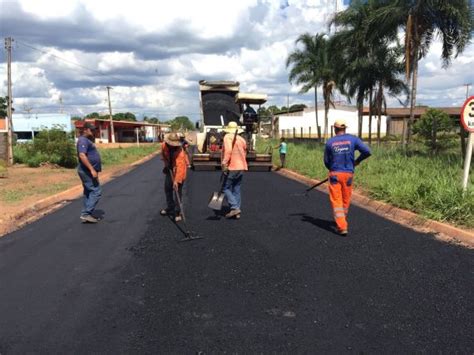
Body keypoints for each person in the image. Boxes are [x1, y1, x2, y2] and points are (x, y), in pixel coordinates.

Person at [324, 119, 371, 236]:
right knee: (346, 198)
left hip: (335, 174)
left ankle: (342, 226)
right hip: (348, 174)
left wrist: (333, 169)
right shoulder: (353, 139)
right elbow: (367, 151)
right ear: (345, 128)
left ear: (335, 129)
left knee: (336, 199)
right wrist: (357, 161)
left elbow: (326, 161)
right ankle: (342, 219)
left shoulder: (330, 142)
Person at [221, 121, 248, 219]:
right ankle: (236, 212)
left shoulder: (227, 137)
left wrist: (224, 163)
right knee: (236, 188)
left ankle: (235, 207)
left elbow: (228, 151)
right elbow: (245, 151)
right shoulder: (241, 139)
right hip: (242, 166)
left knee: (225, 188)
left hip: (233, 166)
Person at [77, 122, 102, 223]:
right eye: (91, 130)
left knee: (88, 192)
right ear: (85, 130)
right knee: (96, 191)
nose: (93, 131)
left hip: (88, 170)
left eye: (94, 130)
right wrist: (92, 169)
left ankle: (87, 214)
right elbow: (82, 155)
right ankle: (86, 214)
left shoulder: (87, 140)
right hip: (86, 170)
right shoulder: (82, 140)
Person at [160, 132, 188, 222]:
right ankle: (170, 207)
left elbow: (180, 167)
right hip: (170, 169)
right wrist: (166, 164)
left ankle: (178, 212)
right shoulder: (164, 145)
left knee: (177, 192)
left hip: (179, 171)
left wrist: (176, 181)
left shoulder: (180, 151)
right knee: (167, 189)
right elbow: (164, 155)